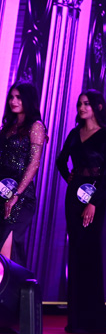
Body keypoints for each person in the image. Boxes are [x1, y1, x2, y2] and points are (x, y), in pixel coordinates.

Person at [55, 90, 106, 334]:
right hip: (74, 197)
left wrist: (93, 202)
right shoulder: (74, 133)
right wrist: (70, 179)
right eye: (80, 104)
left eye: (87, 104)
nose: (81, 107)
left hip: (95, 196)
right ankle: (76, 319)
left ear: (98, 107)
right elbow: (61, 161)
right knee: (76, 250)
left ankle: (93, 320)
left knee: (90, 251)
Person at [0, 82, 47, 267]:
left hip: (21, 197)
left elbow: (34, 164)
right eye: (11, 97)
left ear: (28, 100)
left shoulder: (36, 126)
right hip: (2, 191)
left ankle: (14, 286)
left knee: (6, 252)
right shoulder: (9, 126)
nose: (13, 101)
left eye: (18, 97)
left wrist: (16, 195)